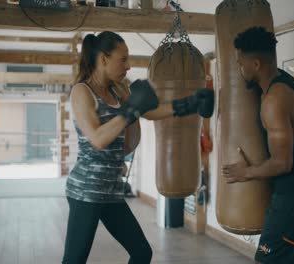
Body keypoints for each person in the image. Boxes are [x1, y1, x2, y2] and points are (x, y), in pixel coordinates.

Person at [62, 31, 214, 264]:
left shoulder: (118, 89)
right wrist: (130, 109)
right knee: (74, 261)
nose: (129, 66)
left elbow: (149, 110)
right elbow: (97, 139)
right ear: (103, 59)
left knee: (142, 253)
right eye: (123, 59)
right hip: (86, 191)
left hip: (111, 190)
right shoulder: (82, 91)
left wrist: (187, 104)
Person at [222, 27, 294, 264]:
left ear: (256, 64)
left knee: (267, 259)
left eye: (241, 64)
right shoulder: (281, 82)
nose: (240, 70)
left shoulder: (274, 100)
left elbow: (283, 163)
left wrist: (246, 172)